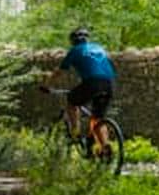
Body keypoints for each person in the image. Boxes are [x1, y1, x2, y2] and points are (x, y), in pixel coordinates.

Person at [42, 27, 117, 155]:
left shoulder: (75, 50)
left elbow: (60, 72)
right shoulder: (99, 48)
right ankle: (105, 146)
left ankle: (75, 133)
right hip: (108, 83)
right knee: (98, 118)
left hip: (92, 83)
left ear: (73, 41)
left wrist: (46, 84)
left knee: (72, 101)